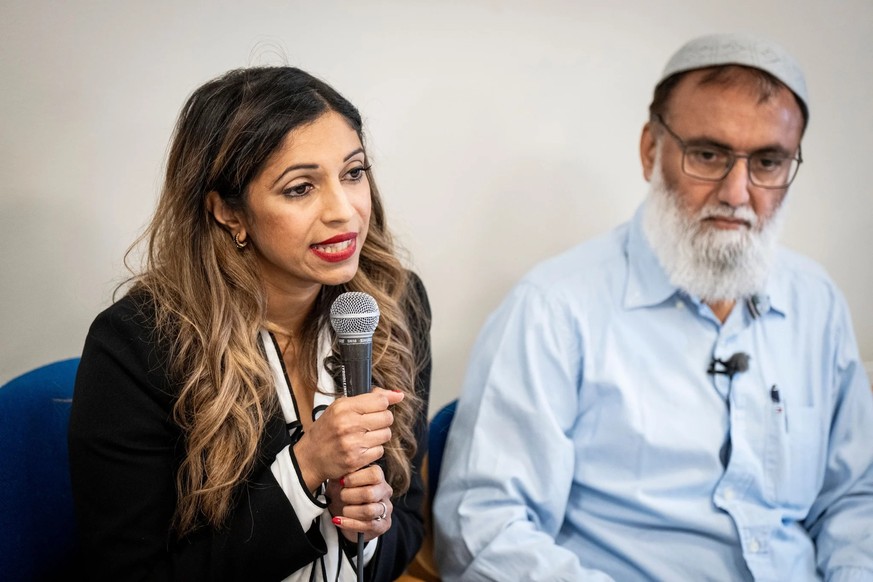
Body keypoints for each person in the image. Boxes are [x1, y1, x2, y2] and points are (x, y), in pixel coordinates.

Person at [433, 32, 873, 581]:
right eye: (708, 155)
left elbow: (854, 500)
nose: (737, 192)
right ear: (651, 150)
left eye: (768, 162)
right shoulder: (554, 309)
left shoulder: (817, 304)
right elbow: (484, 530)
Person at [68, 66, 432, 581]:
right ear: (228, 212)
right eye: (301, 188)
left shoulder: (395, 306)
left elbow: (409, 519)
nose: (344, 212)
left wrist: (367, 532)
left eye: (353, 173)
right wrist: (304, 471)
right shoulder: (139, 345)